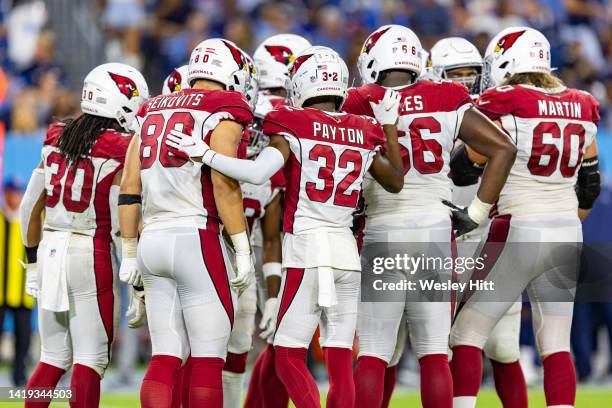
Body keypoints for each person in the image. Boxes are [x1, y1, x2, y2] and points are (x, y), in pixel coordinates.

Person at [166, 45, 405, 408]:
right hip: (344, 252)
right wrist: (388, 124)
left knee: (288, 355)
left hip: (307, 249)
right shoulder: (364, 128)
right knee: (340, 360)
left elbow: (259, 172)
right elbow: (394, 180)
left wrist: (206, 154)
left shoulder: (293, 122)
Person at [341, 25, 517, 408]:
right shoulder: (448, 95)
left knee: (373, 350)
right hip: (436, 230)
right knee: (435, 351)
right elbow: (503, 148)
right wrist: (476, 212)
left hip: (384, 228)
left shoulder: (357, 101)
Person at [449, 26, 601, 408]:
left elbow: (467, 167)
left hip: (518, 224)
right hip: (567, 229)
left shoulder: (505, 100)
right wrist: (564, 219)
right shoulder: (582, 103)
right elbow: (590, 185)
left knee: (466, 333)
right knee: (555, 342)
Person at [118, 38, 254, 408]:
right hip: (196, 235)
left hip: (152, 239)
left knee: (165, 353)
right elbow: (225, 183)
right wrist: (242, 248)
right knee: (209, 356)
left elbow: (129, 188)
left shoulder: (151, 109)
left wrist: (128, 252)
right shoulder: (224, 106)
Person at [19, 62, 149, 408]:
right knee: (89, 361)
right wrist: (136, 277)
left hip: (49, 247)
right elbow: (125, 217)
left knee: (51, 357)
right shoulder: (124, 145)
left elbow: (30, 206)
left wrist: (32, 263)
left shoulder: (56, 135)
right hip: (90, 251)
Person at [430, 36, 528, 407]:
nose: (467, 82)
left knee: (494, 342)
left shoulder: (491, 111)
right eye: (457, 74)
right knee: (443, 340)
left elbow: (469, 164)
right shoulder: (430, 113)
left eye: (473, 74)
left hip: (488, 230)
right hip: (449, 232)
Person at [244, 33, 310, 408]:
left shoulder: (250, 106)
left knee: (273, 339)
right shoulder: (292, 115)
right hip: (282, 228)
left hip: (250, 223)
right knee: (284, 339)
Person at [0, 178, 34, 387]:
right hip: (1, 292)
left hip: (23, 291)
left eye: (19, 193)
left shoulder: (28, 220)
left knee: (23, 339)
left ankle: (19, 377)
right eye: (12, 192)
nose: (16, 197)